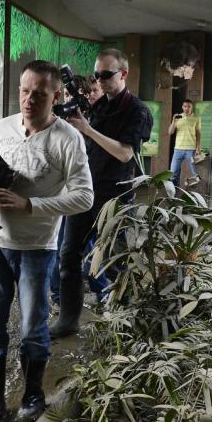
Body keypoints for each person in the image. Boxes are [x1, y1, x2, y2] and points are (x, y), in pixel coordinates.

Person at [0, 60, 93, 422]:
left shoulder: (67, 139)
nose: (29, 99)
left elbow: (85, 197)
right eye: (24, 91)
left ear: (55, 96)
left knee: (32, 326)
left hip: (38, 248)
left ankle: (33, 395)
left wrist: (31, 205)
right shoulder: (3, 127)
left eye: (39, 94)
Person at [50, 48, 151, 338]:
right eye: (97, 75)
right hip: (84, 192)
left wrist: (88, 129)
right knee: (68, 256)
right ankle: (69, 319)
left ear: (124, 74)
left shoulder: (137, 111)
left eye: (106, 75)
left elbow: (124, 154)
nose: (100, 80)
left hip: (114, 198)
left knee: (117, 260)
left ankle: (128, 320)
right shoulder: (98, 106)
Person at [49, 75, 109, 304]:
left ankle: (99, 289)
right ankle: (59, 294)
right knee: (62, 246)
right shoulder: (57, 121)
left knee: (85, 246)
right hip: (63, 194)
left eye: (92, 91)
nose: (68, 101)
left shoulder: (95, 121)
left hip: (89, 194)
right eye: (65, 95)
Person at [169, 99, 202, 187]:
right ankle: (174, 192)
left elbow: (198, 133)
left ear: (192, 107)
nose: (187, 108)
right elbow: (170, 132)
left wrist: (198, 147)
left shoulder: (196, 118)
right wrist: (173, 121)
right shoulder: (178, 118)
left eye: (189, 106)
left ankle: (195, 193)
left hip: (191, 149)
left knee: (195, 172)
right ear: (182, 107)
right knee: (173, 172)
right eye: (185, 106)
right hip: (178, 149)